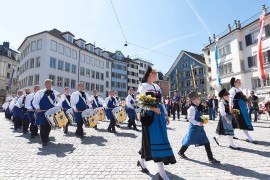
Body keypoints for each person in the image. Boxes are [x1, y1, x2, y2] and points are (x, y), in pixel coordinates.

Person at [137, 66, 176, 180]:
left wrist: (166, 114)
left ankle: (141, 161)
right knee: (154, 140)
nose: (156, 76)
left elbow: (161, 102)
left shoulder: (156, 86)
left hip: (159, 116)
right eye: (155, 75)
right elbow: (139, 102)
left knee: (149, 141)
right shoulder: (143, 86)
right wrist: (153, 109)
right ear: (150, 75)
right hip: (149, 116)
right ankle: (162, 173)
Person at [178, 91, 220, 164]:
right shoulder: (192, 108)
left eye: (199, 98)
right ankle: (181, 152)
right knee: (188, 141)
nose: (200, 100)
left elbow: (198, 116)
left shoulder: (197, 107)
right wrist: (198, 123)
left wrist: (203, 119)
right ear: (193, 100)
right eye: (198, 98)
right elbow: (190, 118)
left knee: (206, 142)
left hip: (200, 128)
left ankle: (211, 158)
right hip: (194, 128)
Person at [33, 79, 60, 146]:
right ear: (45, 84)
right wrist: (37, 108)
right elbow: (35, 102)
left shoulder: (55, 92)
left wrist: (59, 98)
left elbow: (58, 101)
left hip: (51, 113)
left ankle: (46, 137)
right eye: (47, 83)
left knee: (49, 126)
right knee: (43, 126)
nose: (49, 85)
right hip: (42, 112)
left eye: (50, 83)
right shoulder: (40, 92)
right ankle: (44, 140)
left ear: (51, 84)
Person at [229, 77, 256, 144]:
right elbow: (230, 100)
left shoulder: (239, 89)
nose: (240, 83)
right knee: (241, 120)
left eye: (240, 82)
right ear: (234, 83)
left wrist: (246, 101)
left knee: (235, 121)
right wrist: (231, 108)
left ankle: (232, 134)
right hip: (236, 107)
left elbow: (243, 97)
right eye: (238, 82)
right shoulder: (232, 90)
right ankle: (249, 138)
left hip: (242, 106)